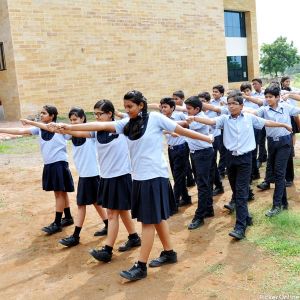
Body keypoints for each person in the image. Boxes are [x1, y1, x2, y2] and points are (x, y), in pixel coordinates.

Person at [51, 90, 213, 281]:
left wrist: (207, 138)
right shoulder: (127, 124)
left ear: (141, 105)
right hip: (139, 178)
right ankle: (169, 252)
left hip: (154, 176)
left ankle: (141, 266)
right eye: (125, 107)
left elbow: (181, 130)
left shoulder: (155, 118)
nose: (127, 110)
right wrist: (66, 127)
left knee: (147, 221)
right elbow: (101, 125)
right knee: (157, 219)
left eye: (130, 107)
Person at [186, 92, 292, 239]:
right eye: (229, 104)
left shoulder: (249, 118)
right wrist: (194, 118)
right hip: (230, 159)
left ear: (241, 106)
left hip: (245, 159)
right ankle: (247, 218)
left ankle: (240, 227)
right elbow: (211, 122)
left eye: (234, 103)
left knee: (241, 193)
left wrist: (283, 124)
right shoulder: (224, 119)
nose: (231, 106)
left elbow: (265, 122)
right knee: (236, 191)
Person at [35, 107, 108, 246]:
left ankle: (75, 236)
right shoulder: (71, 134)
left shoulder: (89, 133)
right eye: (71, 120)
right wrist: (37, 124)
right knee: (95, 202)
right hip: (85, 175)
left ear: (83, 119)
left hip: (91, 174)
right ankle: (108, 224)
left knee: (81, 204)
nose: (73, 122)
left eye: (75, 119)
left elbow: (93, 128)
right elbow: (56, 130)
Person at [0, 105, 74, 234]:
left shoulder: (59, 128)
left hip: (59, 164)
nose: (41, 115)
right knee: (61, 192)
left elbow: (73, 134)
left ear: (52, 116)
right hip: (49, 164)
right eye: (41, 113)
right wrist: (1, 129)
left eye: (44, 113)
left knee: (59, 193)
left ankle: (57, 223)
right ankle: (67, 217)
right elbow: (21, 131)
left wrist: (29, 121)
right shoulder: (39, 129)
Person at [250, 85, 299, 217]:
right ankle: (284, 203)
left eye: (270, 97)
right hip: (271, 143)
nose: (268, 99)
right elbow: (252, 113)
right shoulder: (264, 110)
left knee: (279, 172)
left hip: (285, 143)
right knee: (277, 173)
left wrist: (291, 95)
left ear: (277, 97)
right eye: (266, 97)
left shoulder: (287, 107)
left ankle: (276, 205)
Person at [181, 96, 215, 230]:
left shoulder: (201, 119)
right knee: (204, 182)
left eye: (189, 109)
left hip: (203, 154)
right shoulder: (193, 116)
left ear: (197, 109)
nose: (187, 111)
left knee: (202, 184)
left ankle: (199, 216)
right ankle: (208, 208)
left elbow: (184, 125)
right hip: (196, 153)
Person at [160, 97, 191, 208]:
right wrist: (169, 130)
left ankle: (174, 203)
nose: (162, 109)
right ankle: (186, 198)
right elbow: (160, 129)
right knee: (177, 175)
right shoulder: (161, 119)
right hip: (171, 149)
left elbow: (188, 125)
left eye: (165, 107)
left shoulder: (179, 116)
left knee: (178, 176)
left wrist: (176, 128)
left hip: (181, 147)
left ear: (172, 108)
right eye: (161, 107)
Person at [199, 91, 224, 196]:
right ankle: (217, 185)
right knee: (211, 164)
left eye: (203, 101)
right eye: (199, 102)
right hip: (205, 141)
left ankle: (217, 186)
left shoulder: (214, 110)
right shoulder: (199, 113)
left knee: (212, 164)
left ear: (208, 102)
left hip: (215, 138)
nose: (201, 104)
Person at [172, 90, 196, 187]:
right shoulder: (175, 111)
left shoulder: (184, 110)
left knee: (186, 162)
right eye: (173, 99)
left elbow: (187, 124)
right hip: (180, 140)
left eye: (176, 99)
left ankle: (190, 179)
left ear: (182, 99)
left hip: (184, 140)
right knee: (185, 162)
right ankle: (190, 180)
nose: (174, 100)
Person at [251, 78, 267, 168]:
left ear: (261, 84)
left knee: (262, 140)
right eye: (253, 84)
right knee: (259, 140)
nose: (254, 86)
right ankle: (261, 158)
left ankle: (262, 157)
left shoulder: (265, 94)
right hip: (255, 120)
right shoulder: (252, 94)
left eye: (256, 84)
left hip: (264, 120)